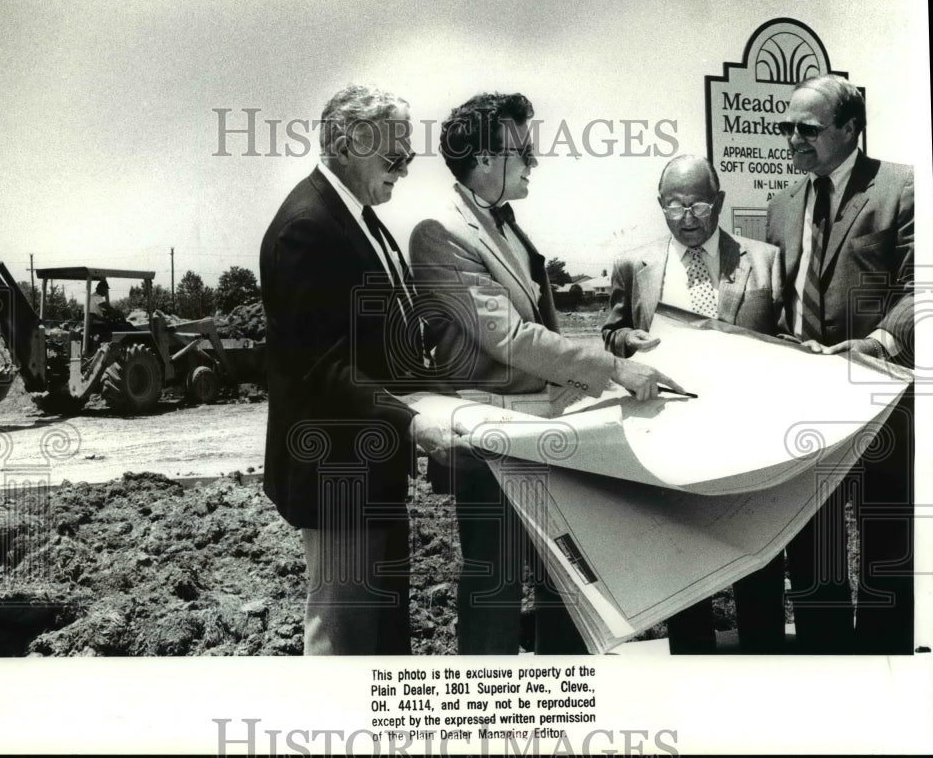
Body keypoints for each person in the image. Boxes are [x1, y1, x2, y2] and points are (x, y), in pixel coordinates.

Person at [409, 92, 681, 654]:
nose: (533, 160)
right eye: (523, 149)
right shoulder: (440, 232)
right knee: (495, 581)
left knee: (566, 577)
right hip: (490, 436)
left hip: (542, 432)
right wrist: (613, 368)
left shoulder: (506, 228)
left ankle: (566, 714)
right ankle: (487, 723)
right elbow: (508, 337)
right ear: (485, 158)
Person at [259, 84, 466, 655]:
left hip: (368, 463)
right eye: (394, 154)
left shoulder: (359, 218)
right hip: (335, 473)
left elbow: (381, 335)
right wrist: (412, 422)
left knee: (381, 632)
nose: (403, 167)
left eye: (408, 156)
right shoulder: (308, 226)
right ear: (350, 143)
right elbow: (322, 367)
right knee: (345, 637)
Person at [601, 154, 786, 653]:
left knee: (759, 555)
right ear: (660, 205)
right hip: (674, 435)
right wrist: (625, 340)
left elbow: (788, 339)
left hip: (751, 435)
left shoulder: (765, 259)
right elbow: (611, 331)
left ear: (719, 202)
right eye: (674, 205)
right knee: (683, 554)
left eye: (698, 205)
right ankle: (692, 666)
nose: (686, 217)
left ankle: (766, 660)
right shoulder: (633, 265)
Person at [765, 74, 914, 654]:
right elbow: (775, 295)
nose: (792, 139)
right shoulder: (782, 204)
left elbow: (919, 288)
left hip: (880, 396)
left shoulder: (903, 188)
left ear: (851, 129)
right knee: (812, 538)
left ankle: (886, 670)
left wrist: (878, 343)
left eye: (807, 128)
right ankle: (823, 664)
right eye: (787, 128)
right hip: (805, 404)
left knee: (884, 539)